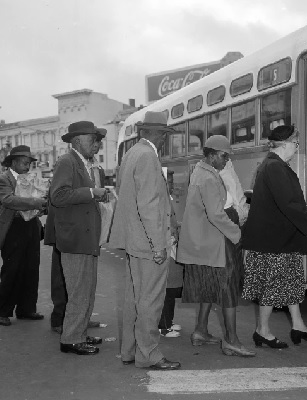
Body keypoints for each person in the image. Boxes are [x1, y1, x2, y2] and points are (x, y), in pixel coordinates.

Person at [242, 125, 307, 347]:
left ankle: (298, 324)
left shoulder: (274, 165)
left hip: (278, 238)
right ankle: (262, 330)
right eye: (295, 143)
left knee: (291, 281)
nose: (297, 148)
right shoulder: (275, 167)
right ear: (285, 144)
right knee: (272, 286)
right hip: (273, 241)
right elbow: (289, 204)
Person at [110, 111, 181, 370]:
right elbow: (149, 204)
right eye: (163, 134)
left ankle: (130, 350)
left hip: (134, 240)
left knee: (135, 298)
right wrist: (158, 244)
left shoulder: (131, 154)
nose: (164, 140)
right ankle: (148, 353)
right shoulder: (149, 156)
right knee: (150, 300)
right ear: (157, 133)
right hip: (148, 241)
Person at [177, 135, 255, 358]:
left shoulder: (201, 172)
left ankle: (201, 331)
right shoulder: (209, 178)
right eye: (223, 156)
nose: (226, 160)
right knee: (228, 290)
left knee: (209, 288)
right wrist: (237, 235)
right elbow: (216, 214)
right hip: (216, 241)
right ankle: (231, 340)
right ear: (211, 155)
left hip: (206, 242)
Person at [45, 121, 108, 356]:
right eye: (93, 139)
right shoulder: (67, 162)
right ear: (76, 141)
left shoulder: (81, 163)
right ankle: (71, 339)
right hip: (75, 238)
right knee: (79, 290)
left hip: (85, 237)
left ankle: (79, 332)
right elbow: (58, 195)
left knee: (86, 289)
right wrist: (92, 192)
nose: (97, 144)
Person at [0, 145, 47, 326]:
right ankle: (3, 311)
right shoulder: (3, 179)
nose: (27, 165)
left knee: (31, 268)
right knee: (12, 269)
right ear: (13, 162)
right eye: (24, 162)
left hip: (31, 227)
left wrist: (42, 205)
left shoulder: (30, 179)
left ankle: (26, 309)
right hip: (13, 228)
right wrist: (37, 202)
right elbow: (8, 200)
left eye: (29, 162)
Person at [158, 170, 183, 338]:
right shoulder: (160, 201)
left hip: (173, 250)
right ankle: (163, 326)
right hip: (167, 250)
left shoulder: (169, 199)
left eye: (173, 182)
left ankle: (169, 321)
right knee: (167, 289)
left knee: (173, 287)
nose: (172, 186)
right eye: (169, 182)